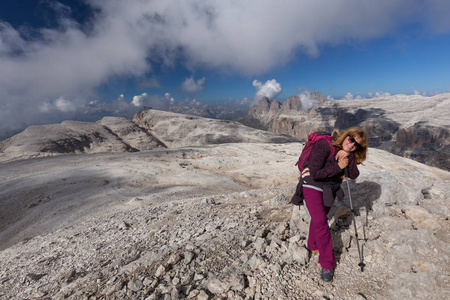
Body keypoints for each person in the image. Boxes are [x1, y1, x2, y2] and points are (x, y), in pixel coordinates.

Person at [301, 127, 368, 282]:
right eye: (351, 140)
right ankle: (327, 264)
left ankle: (312, 244)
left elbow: (354, 174)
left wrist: (348, 156)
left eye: (356, 145)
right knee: (322, 222)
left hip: (330, 187)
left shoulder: (348, 152)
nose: (352, 145)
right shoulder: (325, 145)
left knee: (320, 218)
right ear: (346, 135)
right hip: (312, 184)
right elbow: (315, 173)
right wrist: (338, 166)